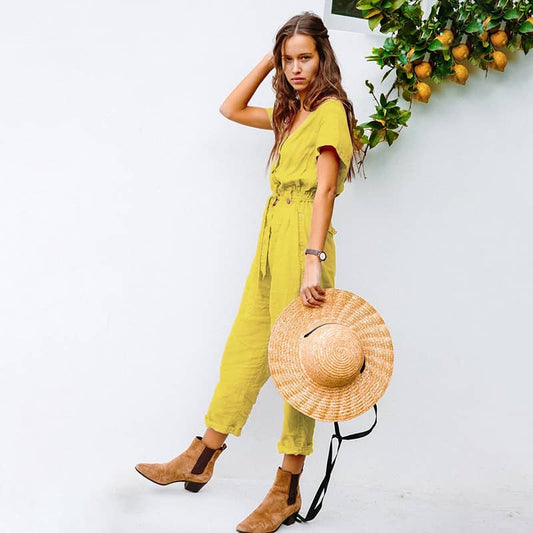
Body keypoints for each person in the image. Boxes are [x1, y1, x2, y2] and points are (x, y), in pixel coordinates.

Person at [135, 11, 362, 533]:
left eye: (305, 57)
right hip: (272, 235)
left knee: (300, 365)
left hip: (303, 240)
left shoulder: (329, 111)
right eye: (289, 59)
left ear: (323, 58)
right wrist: (269, 59)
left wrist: (313, 259)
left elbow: (326, 189)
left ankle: (288, 485)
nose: (297, 68)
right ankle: (202, 455)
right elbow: (230, 108)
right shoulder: (292, 113)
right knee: (246, 346)